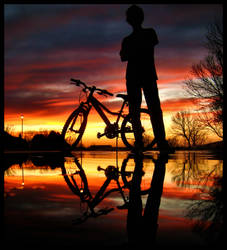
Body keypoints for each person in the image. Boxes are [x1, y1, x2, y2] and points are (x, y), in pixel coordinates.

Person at [120, 5, 173, 153]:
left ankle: (154, 143)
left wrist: (133, 51)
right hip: (141, 76)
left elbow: (124, 55)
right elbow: (124, 56)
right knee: (144, 111)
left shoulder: (137, 37)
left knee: (147, 110)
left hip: (140, 76)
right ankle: (155, 143)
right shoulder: (146, 35)